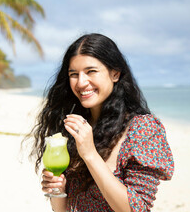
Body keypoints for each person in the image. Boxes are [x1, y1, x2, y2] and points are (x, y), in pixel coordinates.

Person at [27, 33, 174, 211]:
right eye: (74, 74)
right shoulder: (76, 126)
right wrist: (57, 190)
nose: (81, 82)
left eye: (91, 71)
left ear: (115, 74)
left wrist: (89, 154)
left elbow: (137, 209)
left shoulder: (143, 129)